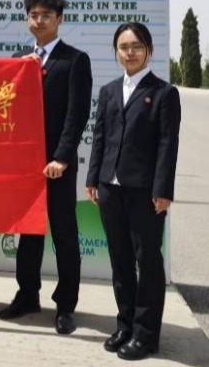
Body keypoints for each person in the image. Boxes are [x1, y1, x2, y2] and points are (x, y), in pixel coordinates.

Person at [0, 0, 92, 335]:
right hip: (25, 169)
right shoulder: (19, 60)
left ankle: (66, 306)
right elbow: (7, 111)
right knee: (28, 235)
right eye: (33, 15)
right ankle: (27, 295)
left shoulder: (75, 60)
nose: (39, 21)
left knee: (64, 236)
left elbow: (76, 115)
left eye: (46, 16)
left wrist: (62, 158)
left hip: (57, 167)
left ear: (59, 19)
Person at [86, 23, 180, 360]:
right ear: (116, 52)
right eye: (124, 47)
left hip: (145, 193)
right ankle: (125, 325)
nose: (130, 52)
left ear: (149, 51)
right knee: (120, 261)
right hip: (110, 190)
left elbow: (168, 145)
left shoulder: (164, 93)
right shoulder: (109, 91)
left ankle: (146, 335)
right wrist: (93, 178)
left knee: (148, 262)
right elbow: (100, 137)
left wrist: (163, 190)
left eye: (137, 46)